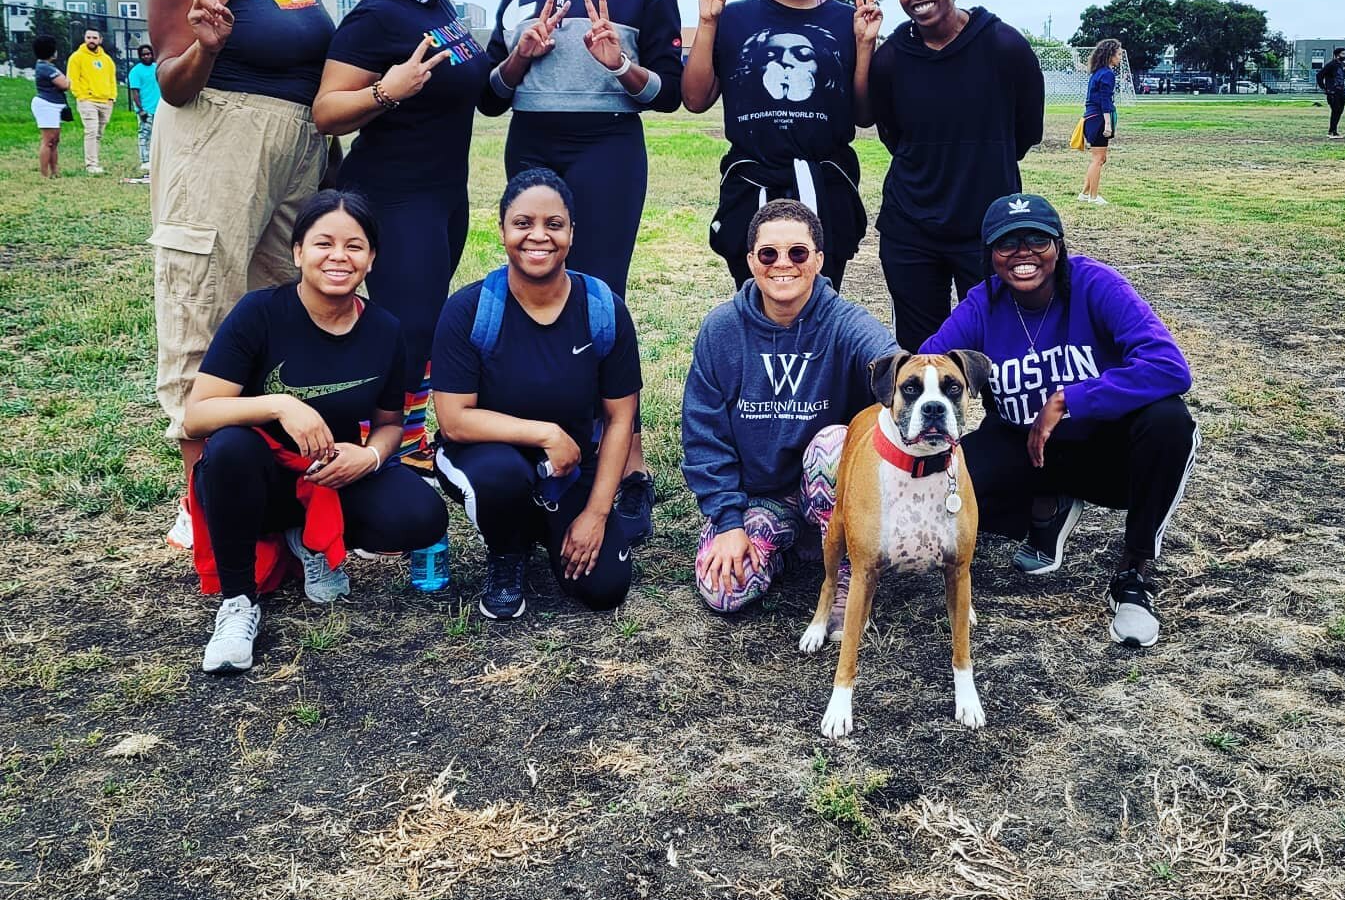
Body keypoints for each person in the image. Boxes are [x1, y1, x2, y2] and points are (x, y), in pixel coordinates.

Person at [146, 0, 335, 546]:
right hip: (218, 135)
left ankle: (267, 481)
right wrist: (206, 45)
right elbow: (172, 83)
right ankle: (200, 497)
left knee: (279, 303)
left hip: (297, 142)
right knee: (202, 295)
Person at [483, 0, 684, 523]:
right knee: (539, 290)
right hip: (533, 144)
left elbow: (672, 93)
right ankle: (555, 443)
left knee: (602, 295)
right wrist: (522, 55)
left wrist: (620, 65)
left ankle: (625, 456)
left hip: (607, 148)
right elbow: (490, 95)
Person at [184, 191, 449, 674]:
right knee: (229, 449)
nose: (338, 257)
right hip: (253, 477)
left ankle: (308, 537)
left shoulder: (386, 330)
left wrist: (367, 459)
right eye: (323, 243)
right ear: (298, 252)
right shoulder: (259, 314)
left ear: (371, 259)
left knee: (422, 516)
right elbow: (196, 416)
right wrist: (280, 404)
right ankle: (238, 603)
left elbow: (391, 425)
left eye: (355, 246)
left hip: (330, 474)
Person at [920, 193, 1198, 648]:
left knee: (1169, 422)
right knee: (946, 491)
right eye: (1007, 243)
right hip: (1025, 445)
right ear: (990, 255)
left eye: (1037, 239)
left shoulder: (1096, 284)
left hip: (1108, 450)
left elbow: (1170, 367)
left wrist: (1071, 399)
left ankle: (1134, 574)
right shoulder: (981, 304)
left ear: (1059, 244)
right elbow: (929, 365)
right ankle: (1046, 510)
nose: (1022, 253)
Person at [313, 0, 493, 466]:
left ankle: (407, 435)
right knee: (409, 327)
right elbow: (325, 111)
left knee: (423, 322)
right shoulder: (373, 17)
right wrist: (387, 91)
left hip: (443, 192)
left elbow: (480, 88)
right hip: (394, 194)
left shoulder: (437, 5)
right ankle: (390, 444)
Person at [431, 170, 641, 620]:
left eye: (554, 224)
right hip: (484, 457)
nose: (538, 236)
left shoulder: (603, 309)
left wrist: (597, 515)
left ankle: (545, 523)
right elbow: (454, 419)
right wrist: (545, 433)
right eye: (523, 223)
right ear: (503, 229)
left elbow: (620, 418)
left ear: (571, 232)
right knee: (503, 474)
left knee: (605, 588)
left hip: (568, 467)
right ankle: (507, 553)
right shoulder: (469, 309)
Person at [683, 200, 895, 617]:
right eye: (768, 254)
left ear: (817, 259)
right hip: (759, 498)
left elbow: (892, 363)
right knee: (724, 590)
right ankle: (784, 545)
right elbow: (702, 433)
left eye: (798, 252)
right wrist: (727, 524)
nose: (783, 264)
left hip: (834, 491)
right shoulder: (721, 330)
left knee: (834, 441)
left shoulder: (844, 322)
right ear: (750, 261)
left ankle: (850, 565)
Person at [682, 0, 883, 292]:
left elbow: (863, 114)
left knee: (822, 310)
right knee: (757, 307)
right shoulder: (734, 17)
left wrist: (864, 47)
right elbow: (696, 98)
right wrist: (707, 22)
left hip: (826, 186)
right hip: (751, 184)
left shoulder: (847, 19)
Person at [868, 0, 1045, 349]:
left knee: (999, 346)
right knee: (923, 349)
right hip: (910, 229)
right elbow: (892, 136)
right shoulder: (891, 59)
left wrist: (980, 164)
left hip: (987, 231)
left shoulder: (1005, 46)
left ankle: (1002, 418)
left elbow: (1025, 133)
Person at [67, 27, 117, 175]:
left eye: (94, 38)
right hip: (88, 101)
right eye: (88, 37)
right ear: (84, 39)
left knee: (99, 134)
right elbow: (72, 79)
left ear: (100, 40)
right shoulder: (77, 57)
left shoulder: (106, 59)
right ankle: (91, 165)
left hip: (105, 101)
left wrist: (112, 97)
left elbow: (112, 79)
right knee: (91, 131)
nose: (91, 40)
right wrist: (81, 96)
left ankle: (95, 161)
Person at [1078, 39, 1121, 204]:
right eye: (1118, 54)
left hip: (1091, 118)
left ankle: (1084, 193)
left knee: (1100, 158)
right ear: (1110, 55)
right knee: (1098, 159)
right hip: (1098, 119)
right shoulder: (1107, 74)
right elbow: (1105, 101)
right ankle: (1093, 197)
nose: (1120, 58)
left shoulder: (1097, 73)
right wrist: (1108, 124)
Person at [30, 35, 71, 179]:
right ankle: (44, 174)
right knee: (48, 141)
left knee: (55, 141)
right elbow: (64, 85)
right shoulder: (45, 68)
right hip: (47, 105)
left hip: (55, 105)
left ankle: (55, 171)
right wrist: (70, 79)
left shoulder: (48, 66)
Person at [128, 44, 161, 173]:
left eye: (148, 54)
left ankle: (157, 159)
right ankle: (145, 160)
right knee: (145, 135)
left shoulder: (157, 68)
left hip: (159, 108)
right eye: (143, 55)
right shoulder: (136, 71)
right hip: (146, 109)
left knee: (158, 136)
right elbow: (135, 92)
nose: (146, 56)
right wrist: (140, 109)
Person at [1316, 47, 1345, 138]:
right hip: (1333, 91)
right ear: (1337, 55)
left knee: (1340, 110)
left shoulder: (1341, 65)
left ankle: (1333, 130)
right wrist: (1324, 88)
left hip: (1341, 90)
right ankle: (1333, 131)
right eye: (1343, 54)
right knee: (1335, 110)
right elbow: (1319, 75)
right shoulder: (1331, 64)